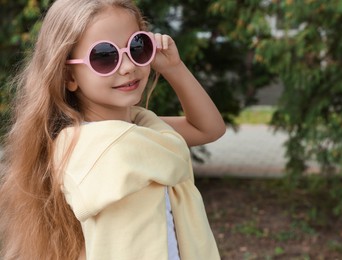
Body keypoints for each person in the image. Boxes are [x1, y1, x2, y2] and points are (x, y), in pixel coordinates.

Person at [0, 0, 226, 259]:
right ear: (69, 77)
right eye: (105, 56)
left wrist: (173, 67)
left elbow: (207, 128)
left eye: (137, 47)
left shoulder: (133, 129)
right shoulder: (106, 153)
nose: (128, 66)